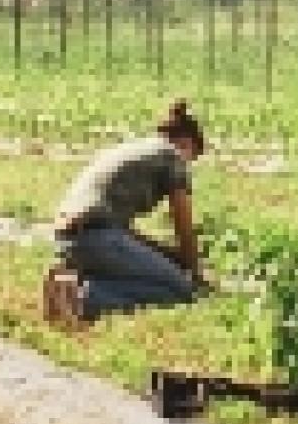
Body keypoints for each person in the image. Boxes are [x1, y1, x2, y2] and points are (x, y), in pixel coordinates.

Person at [43, 100, 209, 328]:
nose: (190, 165)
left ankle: (67, 283)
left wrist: (168, 255)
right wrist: (195, 272)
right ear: (187, 143)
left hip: (70, 240)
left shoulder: (133, 150)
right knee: (181, 291)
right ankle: (84, 298)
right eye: (194, 157)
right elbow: (183, 226)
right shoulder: (172, 156)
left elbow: (124, 233)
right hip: (98, 238)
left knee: (153, 278)